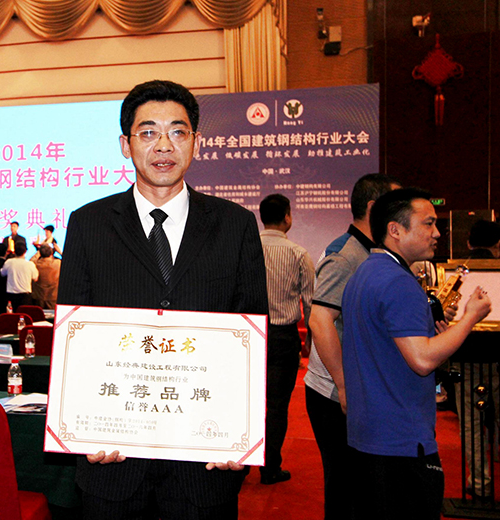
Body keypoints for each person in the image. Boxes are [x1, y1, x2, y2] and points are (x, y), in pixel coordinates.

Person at [56, 79, 268, 519]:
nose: (164, 145)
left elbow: (250, 334)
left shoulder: (235, 225)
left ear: (196, 142)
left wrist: (241, 431)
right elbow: (73, 335)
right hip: (113, 457)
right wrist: (81, 426)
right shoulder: (88, 223)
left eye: (177, 131)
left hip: (204, 461)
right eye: (148, 132)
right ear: (126, 144)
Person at [342, 188, 492, 520]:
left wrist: (440, 334)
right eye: (428, 223)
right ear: (395, 230)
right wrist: (470, 318)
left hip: (368, 434)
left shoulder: (366, 272)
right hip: (400, 439)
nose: (437, 233)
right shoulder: (398, 282)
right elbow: (422, 359)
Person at [303, 173, 399, 520]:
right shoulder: (345, 256)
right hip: (334, 394)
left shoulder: (373, 252)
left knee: (362, 486)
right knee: (346, 487)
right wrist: (344, 386)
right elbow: (319, 320)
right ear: (374, 208)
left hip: (356, 389)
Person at [258, 193, 314, 485]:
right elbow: (311, 303)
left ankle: (241, 466)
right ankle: (270, 468)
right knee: (277, 406)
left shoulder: (248, 248)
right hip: (283, 337)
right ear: (287, 217)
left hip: (249, 335)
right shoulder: (298, 253)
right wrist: (310, 341)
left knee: (247, 403)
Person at [452, 218, 500, 498]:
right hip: (497, 357)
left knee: (471, 422)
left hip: (466, 355)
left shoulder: (457, 272)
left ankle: (480, 482)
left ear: (469, 241)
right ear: (497, 244)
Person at [0, 243, 38, 310]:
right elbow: (35, 278)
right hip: (25, 295)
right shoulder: (30, 264)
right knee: (24, 314)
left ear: (14, 251)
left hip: (11, 295)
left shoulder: (9, 262)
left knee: (13, 315)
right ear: (25, 251)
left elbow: (2, 273)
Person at [31, 244, 61, 309]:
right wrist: (59, 251)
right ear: (51, 253)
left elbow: (31, 260)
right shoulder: (58, 263)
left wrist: (38, 252)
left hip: (38, 297)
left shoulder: (35, 263)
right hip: (52, 297)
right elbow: (68, 262)